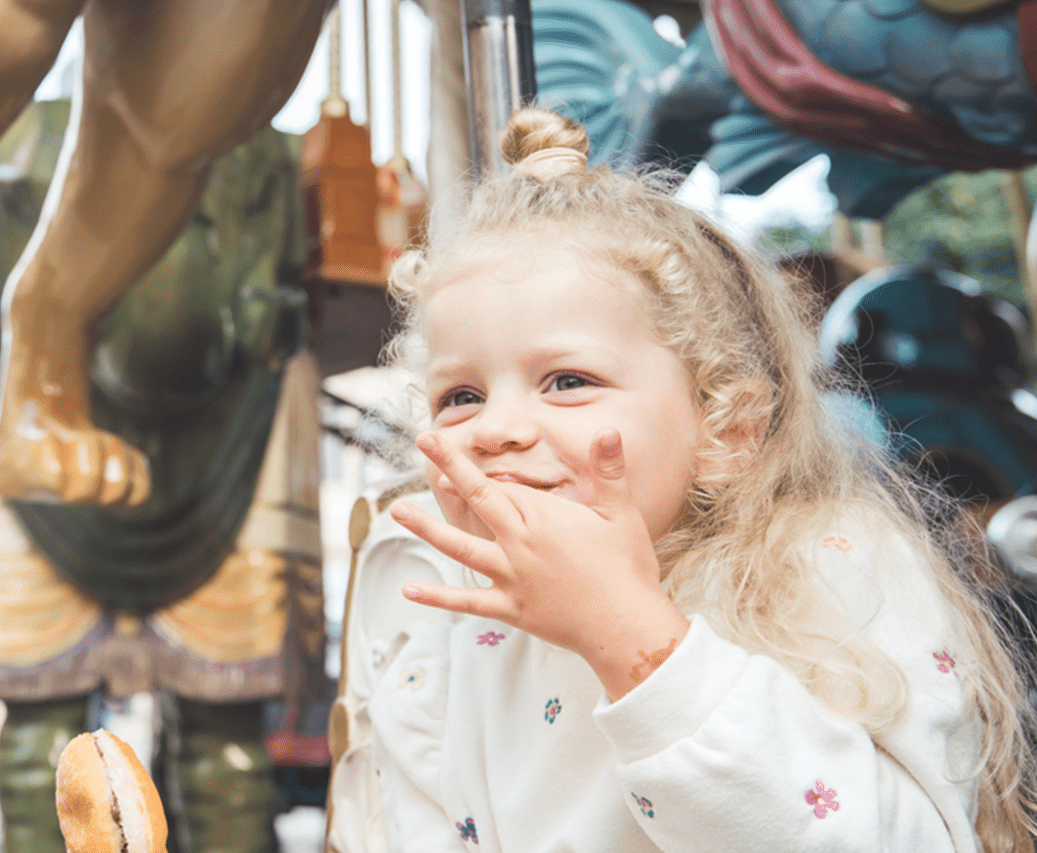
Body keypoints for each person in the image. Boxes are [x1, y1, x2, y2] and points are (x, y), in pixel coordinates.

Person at [367, 107, 1034, 852]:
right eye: (460, 396)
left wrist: (631, 637)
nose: (495, 429)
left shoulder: (829, 570)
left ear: (725, 430)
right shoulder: (453, 643)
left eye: (567, 380)